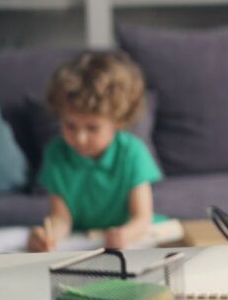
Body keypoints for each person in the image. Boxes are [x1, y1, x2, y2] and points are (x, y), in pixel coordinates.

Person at [27, 51, 164, 252]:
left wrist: (123, 235)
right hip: (86, 243)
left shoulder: (132, 152)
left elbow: (142, 218)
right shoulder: (56, 153)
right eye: (70, 125)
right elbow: (61, 219)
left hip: (133, 241)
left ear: (117, 121)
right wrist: (47, 235)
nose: (80, 138)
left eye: (92, 128)